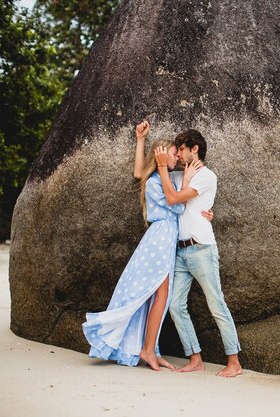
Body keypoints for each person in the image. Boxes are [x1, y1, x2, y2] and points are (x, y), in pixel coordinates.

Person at [82, 133, 206, 371]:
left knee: (160, 296)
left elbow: (140, 172)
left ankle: (151, 348)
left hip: (167, 239)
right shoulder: (155, 182)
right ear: (161, 155)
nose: (176, 156)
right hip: (159, 239)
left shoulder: (167, 176)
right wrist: (181, 176)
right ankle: (148, 349)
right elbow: (177, 205)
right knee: (160, 295)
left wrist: (141, 140)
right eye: (173, 152)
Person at [136, 123, 243, 377]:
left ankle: (234, 362)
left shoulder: (207, 177)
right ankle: (195, 358)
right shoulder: (177, 175)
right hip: (180, 252)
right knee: (175, 305)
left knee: (216, 304)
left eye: (182, 149)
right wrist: (141, 140)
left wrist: (165, 170)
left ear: (195, 150)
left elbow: (173, 199)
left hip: (201, 248)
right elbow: (142, 174)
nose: (179, 154)